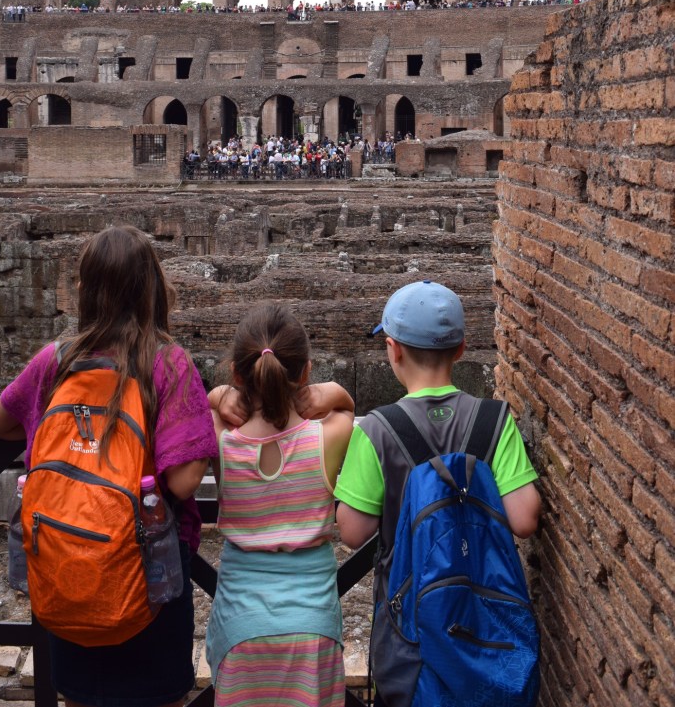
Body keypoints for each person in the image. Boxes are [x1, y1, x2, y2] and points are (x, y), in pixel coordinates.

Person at [0, 225, 218, 707]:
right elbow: (183, 482)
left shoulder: (55, 360)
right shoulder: (167, 364)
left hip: (69, 568)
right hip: (149, 577)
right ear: (152, 287)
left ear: (85, 289)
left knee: (79, 698)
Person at [334, 280, 541, 707]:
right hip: (486, 621)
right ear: (461, 349)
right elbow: (524, 519)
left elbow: (352, 532)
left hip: (411, 631)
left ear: (392, 350)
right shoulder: (495, 421)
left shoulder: (376, 430)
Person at [206, 302, 354, 707]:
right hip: (313, 626)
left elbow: (204, 405)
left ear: (238, 374)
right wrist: (331, 391)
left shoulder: (221, 436)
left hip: (240, 625)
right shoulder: (328, 436)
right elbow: (346, 406)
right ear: (305, 372)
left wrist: (219, 395)